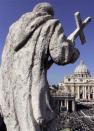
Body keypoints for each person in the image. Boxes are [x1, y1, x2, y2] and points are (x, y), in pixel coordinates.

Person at [0, 2, 83, 131]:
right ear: (49, 13)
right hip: (33, 84)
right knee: (38, 122)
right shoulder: (51, 23)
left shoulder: (13, 29)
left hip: (12, 88)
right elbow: (60, 55)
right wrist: (73, 49)